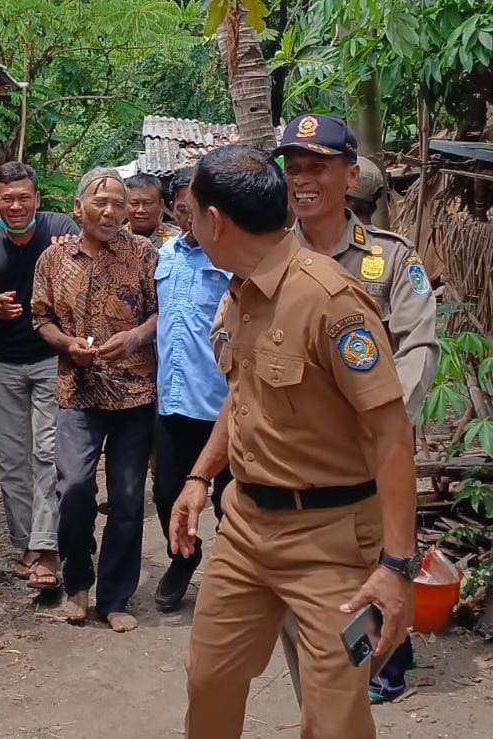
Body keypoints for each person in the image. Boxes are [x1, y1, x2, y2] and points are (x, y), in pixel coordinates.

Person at [170, 145, 418, 738]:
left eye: (191, 210)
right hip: (246, 531)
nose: (188, 220)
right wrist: (200, 477)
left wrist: (396, 565)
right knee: (208, 681)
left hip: (335, 547)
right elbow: (244, 395)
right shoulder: (241, 292)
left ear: (216, 221)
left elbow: (390, 433)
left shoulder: (332, 304)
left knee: (337, 718)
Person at [275, 114, 438, 705]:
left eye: (317, 167)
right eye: (293, 169)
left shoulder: (392, 259)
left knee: (380, 558)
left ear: (350, 175)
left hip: (374, 453)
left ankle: (378, 668)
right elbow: (228, 339)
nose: (302, 180)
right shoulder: (267, 256)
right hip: (297, 455)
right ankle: (337, 683)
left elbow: (420, 345)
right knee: (313, 581)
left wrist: (384, 419)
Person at [31, 167, 158, 633]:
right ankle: (77, 581)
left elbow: (160, 315)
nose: (111, 211)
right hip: (77, 390)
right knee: (76, 486)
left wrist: (133, 337)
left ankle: (115, 597)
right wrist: (67, 346)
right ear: (77, 208)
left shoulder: (144, 253)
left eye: (119, 203)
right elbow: (40, 317)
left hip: (135, 391)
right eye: (101, 201)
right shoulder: (54, 260)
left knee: (127, 497)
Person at [0, 162, 78, 591]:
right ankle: (27, 542)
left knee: (48, 453)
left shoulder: (59, 228)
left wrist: (71, 253)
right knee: (11, 460)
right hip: (3, 362)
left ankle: (47, 549)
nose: (16, 205)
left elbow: (87, 267)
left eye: (23, 197)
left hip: (51, 357)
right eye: (7, 198)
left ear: (37, 199)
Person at [152, 167, 232, 612]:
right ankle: (183, 559)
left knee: (229, 499)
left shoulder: (230, 259)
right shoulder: (165, 255)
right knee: (167, 493)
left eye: (198, 207)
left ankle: (234, 576)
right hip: (173, 403)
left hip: (221, 404)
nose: (190, 217)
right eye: (184, 207)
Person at [123, 173, 180, 248]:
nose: (141, 210)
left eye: (147, 203)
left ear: (161, 204)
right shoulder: (113, 239)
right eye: (134, 203)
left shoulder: (176, 240)